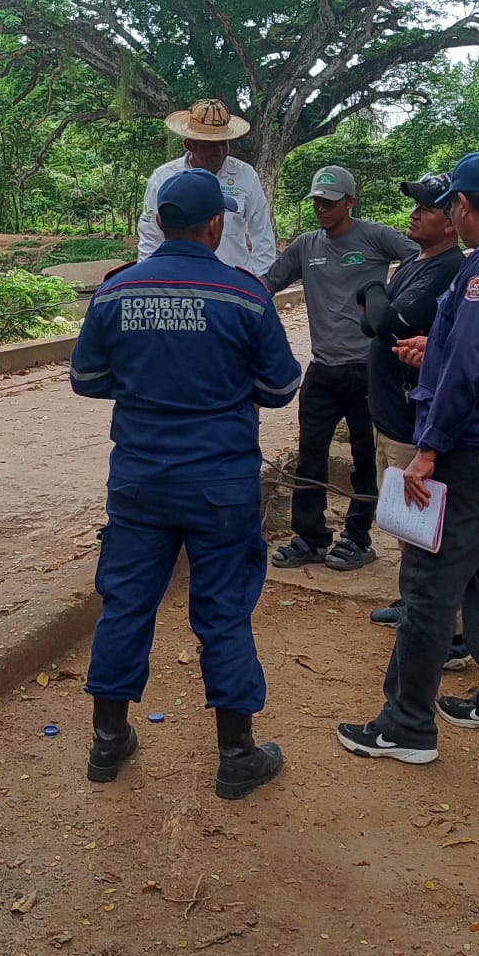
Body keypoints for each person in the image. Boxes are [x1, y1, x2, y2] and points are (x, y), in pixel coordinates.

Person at [70, 167, 301, 800]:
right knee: (224, 613)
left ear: (158, 222)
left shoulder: (115, 291)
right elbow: (282, 386)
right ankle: (237, 756)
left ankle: (107, 741)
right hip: (220, 485)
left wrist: (144, 387)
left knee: (125, 604)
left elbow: (86, 380)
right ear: (216, 224)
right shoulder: (245, 295)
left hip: (139, 482)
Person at [337, 152, 479, 764]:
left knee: (429, 585)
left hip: (473, 447)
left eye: (446, 207)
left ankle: (405, 725)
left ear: (463, 207)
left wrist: (429, 449)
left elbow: (468, 371)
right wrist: (433, 349)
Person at [262, 166, 416, 571]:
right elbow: (268, 283)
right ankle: (310, 537)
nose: (321, 209)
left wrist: (394, 306)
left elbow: (423, 260)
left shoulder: (374, 237)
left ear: (350, 202)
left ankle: (357, 538)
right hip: (323, 369)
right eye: (316, 201)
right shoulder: (305, 246)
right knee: (310, 455)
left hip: (368, 369)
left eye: (329, 202)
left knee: (366, 457)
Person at [358, 173, 473, 671]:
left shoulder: (448, 268)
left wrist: (371, 288)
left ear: (450, 222)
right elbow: (371, 322)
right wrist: (376, 303)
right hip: (389, 413)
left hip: (414, 418)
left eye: (426, 208)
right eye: (416, 206)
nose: (414, 214)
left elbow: (387, 322)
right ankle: (413, 604)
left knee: (427, 528)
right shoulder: (413, 263)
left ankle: (451, 635)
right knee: (406, 526)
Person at [137, 99, 277, 275]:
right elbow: (150, 238)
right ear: (190, 145)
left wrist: (261, 281)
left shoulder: (246, 175)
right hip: (180, 280)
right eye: (210, 145)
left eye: (224, 143)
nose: (220, 152)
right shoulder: (163, 178)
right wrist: (150, 280)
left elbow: (263, 237)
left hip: (231, 281)